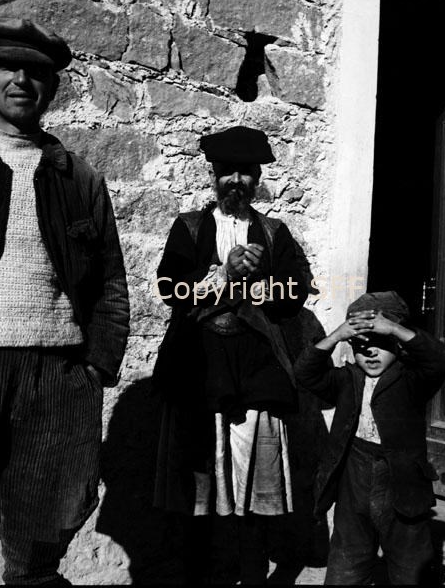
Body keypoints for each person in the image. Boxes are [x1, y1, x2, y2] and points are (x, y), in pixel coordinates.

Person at [0, 18, 130, 585]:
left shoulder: (79, 179)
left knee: (39, 540)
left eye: (36, 72)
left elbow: (110, 282)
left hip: (58, 375)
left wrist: (95, 369)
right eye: (6, 66)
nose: (21, 80)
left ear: (52, 85)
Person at [151, 125, 308, 583]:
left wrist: (260, 283)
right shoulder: (189, 227)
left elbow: (295, 291)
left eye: (245, 172)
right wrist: (223, 273)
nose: (236, 181)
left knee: (253, 488)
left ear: (257, 178)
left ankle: (252, 572)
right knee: (199, 486)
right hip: (199, 371)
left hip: (256, 373)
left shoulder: (274, 233)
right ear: (213, 176)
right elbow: (171, 289)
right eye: (227, 172)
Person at [294, 291, 445, 584]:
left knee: (410, 569)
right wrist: (336, 336)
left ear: (397, 345)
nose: (371, 353)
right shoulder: (346, 379)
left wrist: (394, 328)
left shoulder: (411, 379)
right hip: (353, 481)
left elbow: (440, 359)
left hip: (401, 485)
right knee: (346, 566)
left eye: (381, 344)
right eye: (362, 345)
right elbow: (304, 373)